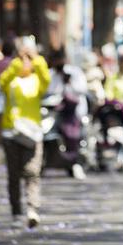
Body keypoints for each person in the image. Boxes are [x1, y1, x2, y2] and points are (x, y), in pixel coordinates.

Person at [0, 37, 50, 229]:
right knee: (13, 175)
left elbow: (46, 77)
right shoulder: (11, 81)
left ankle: (32, 209)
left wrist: (35, 57)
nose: (25, 64)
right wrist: (16, 62)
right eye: (23, 60)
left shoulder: (38, 81)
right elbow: (2, 80)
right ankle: (15, 211)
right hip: (11, 133)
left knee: (32, 172)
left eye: (28, 61)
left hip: (32, 133)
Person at [46, 48, 89, 179]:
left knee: (73, 137)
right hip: (55, 113)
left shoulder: (74, 72)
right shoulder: (51, 74)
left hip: (73, 113)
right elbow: (48, 92)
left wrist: (69, 82)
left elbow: (82, 89)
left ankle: (75, 162)